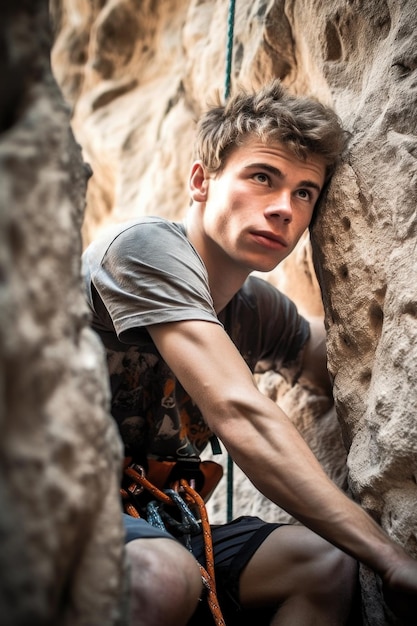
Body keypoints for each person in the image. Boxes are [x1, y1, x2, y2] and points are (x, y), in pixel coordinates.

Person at [82, 80, 417, 625]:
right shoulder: (143, 250)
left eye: (305, 191)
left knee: (324, 563)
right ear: (201, 181)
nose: (284, 208)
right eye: (263, 177)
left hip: (156, 523)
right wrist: (388, 557)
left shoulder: (257, 310)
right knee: (163, 574)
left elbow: (344, 365)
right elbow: (241, 415)